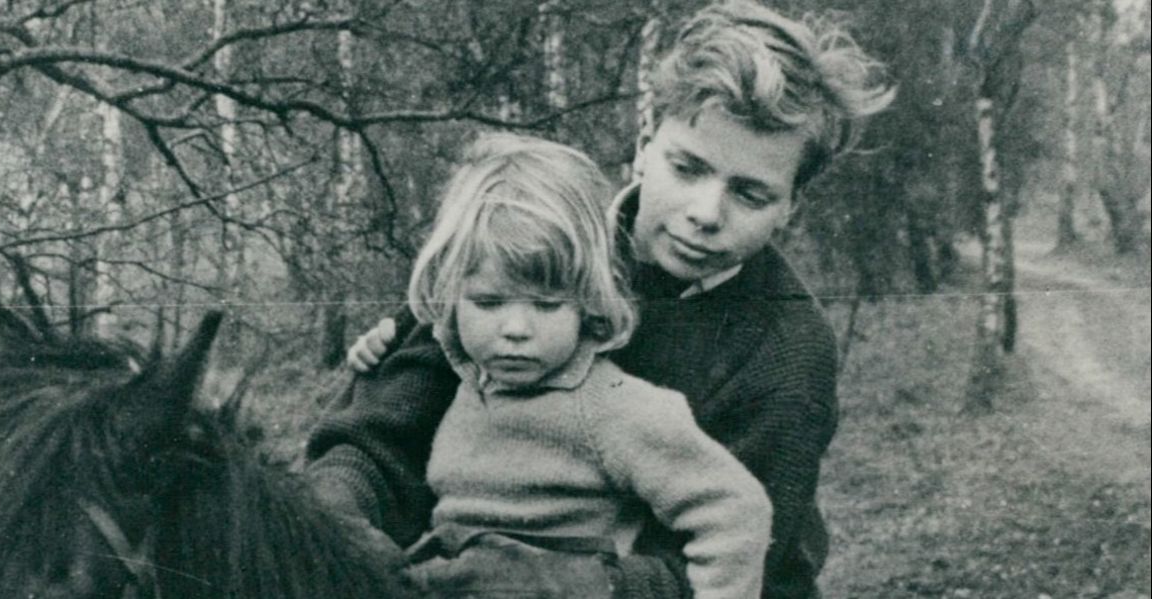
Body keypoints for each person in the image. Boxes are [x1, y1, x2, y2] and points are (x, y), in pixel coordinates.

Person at [306, 1, 895, 597]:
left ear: (793, 203)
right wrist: (338, 521)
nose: (705, 214)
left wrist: (551, 582)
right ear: (646, 141)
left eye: (750, 194)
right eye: (687, 167)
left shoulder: (786, 348)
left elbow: (751, 564)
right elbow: (377, 435)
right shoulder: (542, 233)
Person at [396, 132, 772, 599]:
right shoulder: (465, 382)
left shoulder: (612, 408)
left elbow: (736, 510)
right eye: (488, 302)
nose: (515, 328)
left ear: (588, 304)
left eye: (548, 305)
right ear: (452, 300)